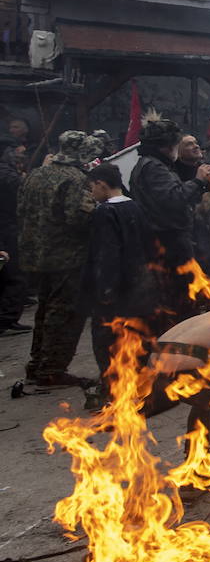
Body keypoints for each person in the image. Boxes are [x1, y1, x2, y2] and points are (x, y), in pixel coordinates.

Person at [17, 131, 100, 388]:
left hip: (36, 255)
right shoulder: (75, 179)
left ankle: (36, 364)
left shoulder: (36, 174)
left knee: (43, 310)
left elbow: (21, 209)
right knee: (64, 312)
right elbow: (80, 218)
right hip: (67, 257)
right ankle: (52, 370)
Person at [129, 118, 210, 329]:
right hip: (168, 242)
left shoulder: (153, 165)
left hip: (168, 240)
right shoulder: (154, 167)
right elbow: (174, 198)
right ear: (168, 145)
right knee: (181, 297)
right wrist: (198, 180)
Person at [81, 164, 154, 406]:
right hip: (139, 288)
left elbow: (107, 254)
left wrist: (105, 290)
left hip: (116, 292)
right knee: (137, 338)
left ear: (101, 184)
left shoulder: (104, 213)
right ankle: (142, 389)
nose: (91, 192)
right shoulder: (135, 206)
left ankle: (116, 394)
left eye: (91, 186)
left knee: (108, 343)